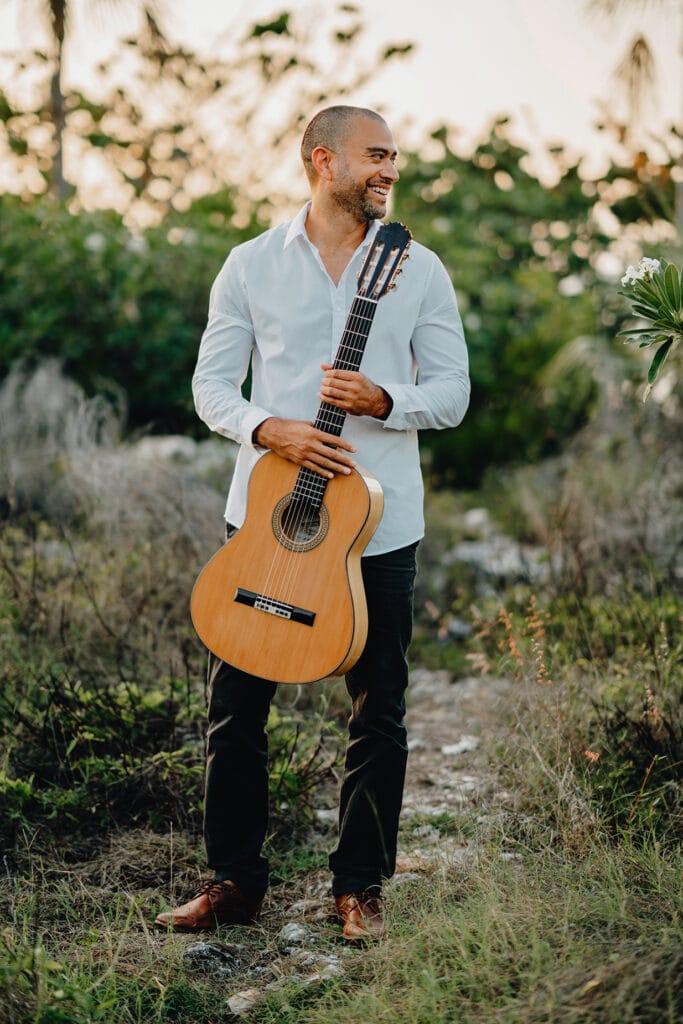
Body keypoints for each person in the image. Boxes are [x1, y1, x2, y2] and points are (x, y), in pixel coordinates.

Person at [155, 105, 470, 941]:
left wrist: (383, 398)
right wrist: (270, 429)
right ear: (321, 160)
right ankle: (234, 882)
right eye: (375, 155)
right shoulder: (250, 264)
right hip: (265, 524)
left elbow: (452, 392)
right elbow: (212, 386)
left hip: (378, 528)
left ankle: (358, 887)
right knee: (235, 710)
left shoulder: (419, 270)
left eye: (395, 157)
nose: (389, 169)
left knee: (378, 712)